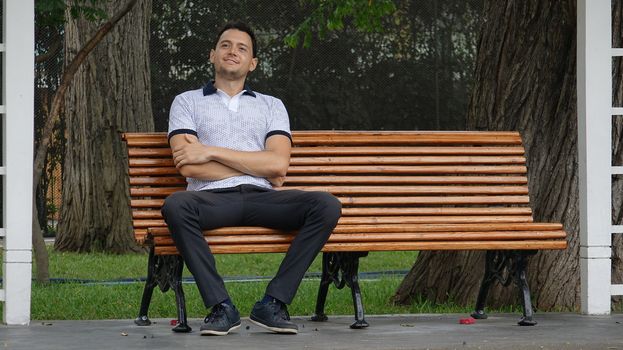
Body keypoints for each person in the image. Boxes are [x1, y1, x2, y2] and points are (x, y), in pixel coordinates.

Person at [161, 22, 342, 336]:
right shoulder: (187, 102)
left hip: (263, 198)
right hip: (210, 199)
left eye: (242, 48)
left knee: (325, 205)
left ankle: (272, 303)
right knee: (176, 205)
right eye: (226, 45)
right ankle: (221, 307)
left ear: (252, 63)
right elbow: (189, 166)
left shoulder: (271, 106)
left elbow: (278, 162)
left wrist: (210, 151)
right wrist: (258, 166)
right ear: (212, 55)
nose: (233, 52)